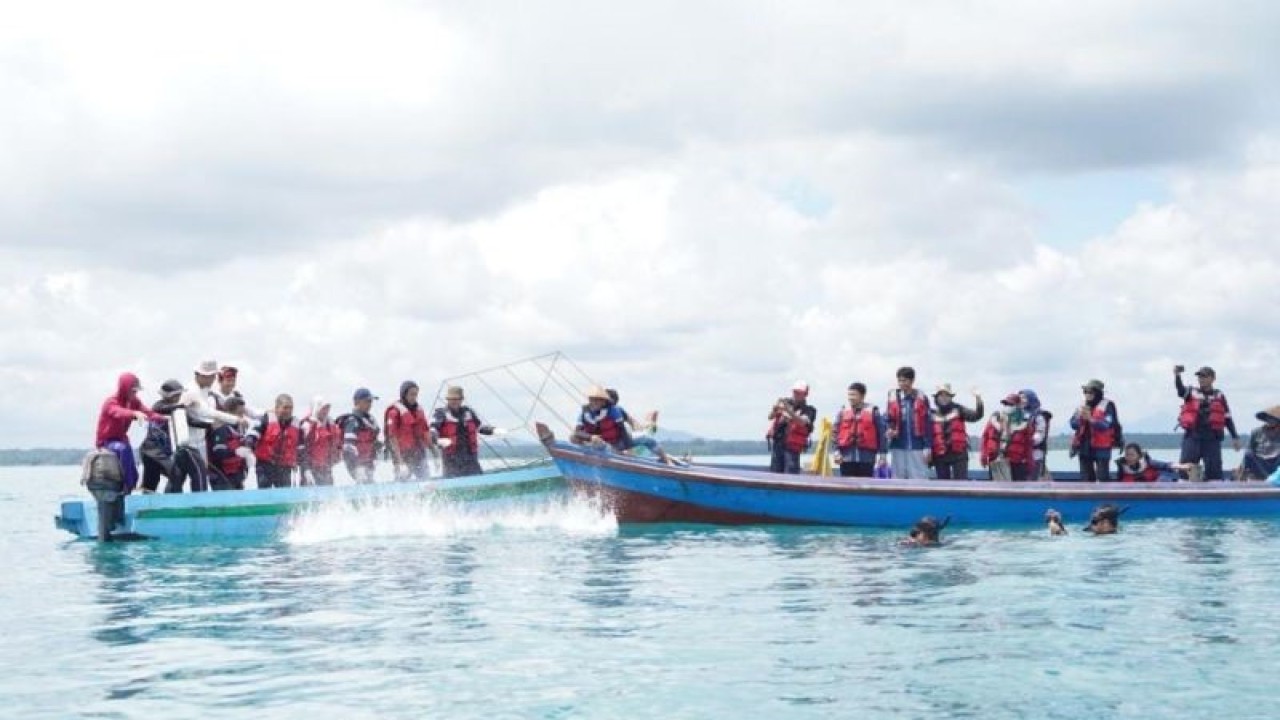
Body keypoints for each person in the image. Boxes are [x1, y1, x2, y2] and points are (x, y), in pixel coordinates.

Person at [169, 360, 248, 493]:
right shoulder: (192, 391)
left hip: (196, 444)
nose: (214, 380)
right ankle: (200, 504)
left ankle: (168, 501)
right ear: (202, 376)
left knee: (177, 478)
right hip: (188, 445)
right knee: (199, 476)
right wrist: (236, 420)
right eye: (212, 376)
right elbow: (207, 412)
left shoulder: (204, 391)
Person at [94, 372, 164, 495]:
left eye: (136, 391)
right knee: (122, 449)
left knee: (133, 470)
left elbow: (149, 413)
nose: (135, 394)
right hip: (106, 442)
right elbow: (118, 412)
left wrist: (164, 418)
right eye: (133, 391)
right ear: (124, 389)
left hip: (122, 439)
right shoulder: (111, 402)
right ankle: (124, 490)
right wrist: (133, 413)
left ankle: (131, 489)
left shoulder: (134, 402)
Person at [1175, 366, 1242, 481]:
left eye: (1204, 376)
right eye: (1200, 376)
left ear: (1213, 378)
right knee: (1186, 471)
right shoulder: (1191, 392)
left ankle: (1214, 489)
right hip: (1192, 437)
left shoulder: (1219, 395)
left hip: (1212, 439)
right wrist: (1177, 376)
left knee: (1214, 472)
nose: (1201, 379)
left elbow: (1227, 417)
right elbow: (1180, 390)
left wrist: (1235, 437)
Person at [433, 385, 499, 478]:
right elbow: (433, 429)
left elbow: (479, 427)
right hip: (451, 458)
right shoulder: (440, 414)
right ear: (447, 400)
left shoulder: (468, 413)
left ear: (461, 399)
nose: (454, 401)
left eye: (456, 399)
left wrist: (492, 430)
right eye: (451, 399)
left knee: (477, 478)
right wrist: (437, 440)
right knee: (452, 479)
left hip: (470, 456)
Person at [829, 382, 887, 478]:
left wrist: (883, 455)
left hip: (867, 459)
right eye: (849, 395)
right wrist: (836, 452)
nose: (850, 398)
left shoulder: (873, 412)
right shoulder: (842, 412)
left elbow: (881, 434)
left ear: (862, 396)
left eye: (854, 395)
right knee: (846, 484)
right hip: (846, 458)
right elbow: (834, 433)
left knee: (866, 484)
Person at [138, 379, 186, 494]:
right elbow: (159, 409)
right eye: (176, 395)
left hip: (161, 452)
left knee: (155, 482)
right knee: (175, 474)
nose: (179, 397)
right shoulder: (159, 406)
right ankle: (172, 500)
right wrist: (182, 405)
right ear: (168, 396)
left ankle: (168, 498)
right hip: (151, 450)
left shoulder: (175, 410)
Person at [245, 394, 302, 489]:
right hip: (265, 465)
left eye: (291, 408)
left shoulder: (296, 424)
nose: (288, 411)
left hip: (284, 467)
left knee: (284, 494)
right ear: (276, 408)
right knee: (264, 492)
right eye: (285, 408)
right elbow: (253, 435)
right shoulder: (266, 419)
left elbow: (301, 446)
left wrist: (301, 464)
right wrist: (249, 447)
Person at [886, 367, 933, 480]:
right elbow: (888, 419)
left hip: (917, 446)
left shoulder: (922, 398)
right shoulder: (892, 398)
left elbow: (927, 423)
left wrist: (927, 446)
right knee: (897, 478)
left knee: (919, 477)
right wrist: (889, 430)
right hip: (898, 445)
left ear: (912, 381)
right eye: (899, 381)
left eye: (905, 380)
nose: (902, 383)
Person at [929, 384, 984, 480]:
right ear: (936, 398)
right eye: (941, 395)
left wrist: (978, 398)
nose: (944, 398)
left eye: (946, 395)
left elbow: (977, 415)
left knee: (961, 483)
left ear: (951, 397)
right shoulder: (931, 414)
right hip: (940, 455)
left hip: (959, 455)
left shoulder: (959, 410)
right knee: (942, 485)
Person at [1069, 379, 1118, 482]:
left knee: (1102, 477)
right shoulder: (1081, 406)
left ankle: (1105, 492)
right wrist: (1080, 418)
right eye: (1085, 392)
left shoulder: (1108, 406)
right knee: (1086, 478)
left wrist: (1091, 419)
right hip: (1084, 446)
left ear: (1098, 393)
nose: (1087, 394)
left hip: (1102, 447)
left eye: (1090, 392)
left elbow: (1107, 425)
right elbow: (1073, 424)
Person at [385, 380, 435, 481]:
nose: (414, 397)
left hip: (419, 453)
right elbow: (392, 437)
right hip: (403, 456)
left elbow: (425, 431)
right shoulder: (394, 412)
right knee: (401, 483)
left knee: (427, 481)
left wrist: (434, 451)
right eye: (411, 394)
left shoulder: (419, 410)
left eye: (416, 394)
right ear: (404, 394)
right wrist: (400, 462)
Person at [979, 393, 1036, 481]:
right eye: (1005, 404)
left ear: (1018, 406)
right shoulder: (994, 419)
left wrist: (1030, 462)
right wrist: (983, 456)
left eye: (1010, 404)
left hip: (1016, 463)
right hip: (995, 461)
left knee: (1017, 487)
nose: (1007, 406)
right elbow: (985, 437)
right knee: (995, 487)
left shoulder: (1025, 423)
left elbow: (1028, 444)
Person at [606, 388, 672, 463]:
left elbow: (630, 423)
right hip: (612, 444)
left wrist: (628, 449)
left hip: (625, 443)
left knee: (647, 437)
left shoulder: (617, 410)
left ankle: (667, 460)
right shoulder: (599, 411)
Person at [766, 381, 817, 474]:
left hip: (792, 449)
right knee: (774, 474)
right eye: (794, 392)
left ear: (805, 394)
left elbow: (802, 422)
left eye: (799, 393)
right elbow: (770, 417)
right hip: (778, 446)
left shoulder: (809, 410)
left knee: (791, 473)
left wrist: (789, 412)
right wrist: (775, 409)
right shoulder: (785, 402)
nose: (796, 394)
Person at [208, 396, 251, 490]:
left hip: (237, 477)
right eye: (239, 413)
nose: (242, 417)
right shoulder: (221, 430)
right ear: (228, 413)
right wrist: (236, 452)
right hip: (222, 478)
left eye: (243, 414)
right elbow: (219, 453)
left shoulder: (240, 430)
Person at [340, 387, 381, 483]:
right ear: (357, 402)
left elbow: (373, 444)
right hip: (357, 466)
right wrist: (356, 467)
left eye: (371, 401)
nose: (370, 404)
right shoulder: (352, 421)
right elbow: (348, 448)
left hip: (368, 464)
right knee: (363, 484)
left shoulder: (370, 421)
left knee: (370, 485)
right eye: (367, 401)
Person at [299, 397, 342, 486]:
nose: (325, 411)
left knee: (328, 493)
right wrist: (306, 469)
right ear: (316, 408)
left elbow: (337, 444)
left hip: (326, 469)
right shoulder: (307, 426)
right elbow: (301, 451)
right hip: (310, 469)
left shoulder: (331, 425)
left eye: (327, 408)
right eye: (323, 408)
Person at [1114, 442, 1186, 483]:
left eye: (1132, 455)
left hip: (1156, 489)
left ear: (1139, 455)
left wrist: (1182, 466)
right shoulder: (1122, 468)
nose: (1129, 458)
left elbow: (1166, 465)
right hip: (1134, 495)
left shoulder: (1148, 462)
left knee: (1163, 478)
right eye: (1127, 455)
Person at [1241, 406, 1280, 480]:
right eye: (1268, 417)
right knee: (1248, 454)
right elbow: (1249, 450)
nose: (1270, 420)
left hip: (1276, 465)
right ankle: (1267, 478)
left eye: (1273, 418)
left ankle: (1271, 478)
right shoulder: (1256, 432)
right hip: (1260, 464)